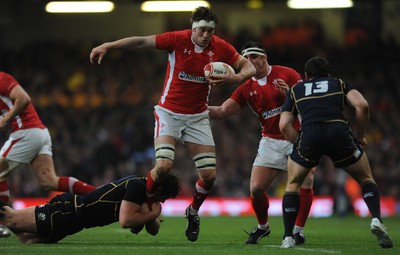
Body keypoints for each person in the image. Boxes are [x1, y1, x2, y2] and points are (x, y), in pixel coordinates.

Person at [89, 6, 256, 242]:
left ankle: (193, 211)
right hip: (169, 113)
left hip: (198, 116)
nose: (206, 35)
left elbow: (249, 67)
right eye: (202, 29)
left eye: (210, 30)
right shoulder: (177, 39)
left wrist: (235, 78)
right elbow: (139, 42)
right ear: (193, 27)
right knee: (164, 166)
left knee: (209, 176)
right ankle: (143, 204)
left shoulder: (220, 47)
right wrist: (108, 45)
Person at [279, 56, 393, 249]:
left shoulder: (296, 90)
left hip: (310, 133)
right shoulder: (338, 83)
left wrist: (299, 142)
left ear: (306, 75)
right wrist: (361, 135)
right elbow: (362, 105)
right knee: (365, 178)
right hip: (337, 130)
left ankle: (288, 237)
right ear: (328, 74)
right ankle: (376, 219)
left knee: (293, 184)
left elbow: (283, 125)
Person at [208, 41, 315, 245]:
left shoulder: (288, 74)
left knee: (306, 182)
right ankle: (263, 227)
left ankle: (299, 231)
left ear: (264, 57)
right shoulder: (246, 87)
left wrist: (290, 95)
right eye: (246, 59)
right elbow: (222, 111)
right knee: (256, 189)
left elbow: (309, 103)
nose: (250, 62)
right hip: (271, 140)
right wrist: (193, 109)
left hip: (297, 135)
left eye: (254, 57)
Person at [0, 71, 96, 238]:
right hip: (39, 132)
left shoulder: (1, 78)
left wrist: (6, 118)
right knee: (49, 181)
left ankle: (2, 223)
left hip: (27, 131)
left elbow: (24, 98)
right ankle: (100, 194)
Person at [0, 173, 180, 243]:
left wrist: (152, 214)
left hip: (75, 223)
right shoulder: (137, 186)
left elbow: (154, 230)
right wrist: (152, 214)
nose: (161, 202)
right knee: (10, 218)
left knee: (26, 239)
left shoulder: (145, 198)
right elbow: (126, 221)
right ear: (160, 189)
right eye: (162, 198)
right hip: (68, 210)